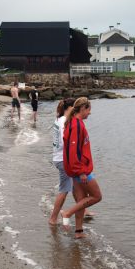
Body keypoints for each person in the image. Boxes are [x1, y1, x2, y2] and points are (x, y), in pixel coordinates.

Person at [49, 98, 94, 226]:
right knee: (64, 190)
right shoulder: (64, 121)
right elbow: (67, 143)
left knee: (75, 188)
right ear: (69, 108)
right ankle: (53, 218)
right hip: (64, 160)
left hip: (58, 157)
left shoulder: (58, 119)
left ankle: (83, 209)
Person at [62, 97, 102, 238]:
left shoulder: (74, 123)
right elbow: (73, 152)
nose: (90, 113)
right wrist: (81, 172)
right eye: (89, 109)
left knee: (81, 200)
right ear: (83, 108)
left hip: (76, 170)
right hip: (80, 170)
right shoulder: (76, 126)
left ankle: (79, 231)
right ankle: (67, 212)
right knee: (97, 196)